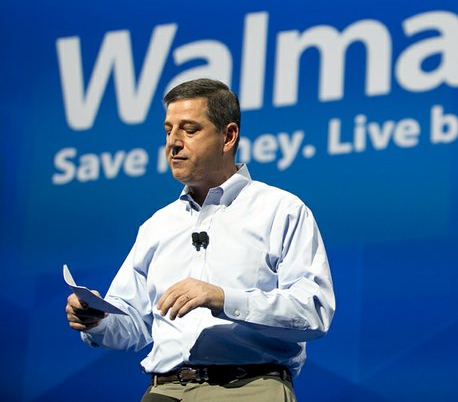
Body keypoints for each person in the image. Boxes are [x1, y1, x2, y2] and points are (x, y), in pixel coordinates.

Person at [65, 78, 335, 401]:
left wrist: (223, 299)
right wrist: (98, 319)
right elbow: (134, 325)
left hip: (248, 388)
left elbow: (313, 311)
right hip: (163, 390)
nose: (173, 143)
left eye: (189, 130)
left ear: (228, 136)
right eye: (168, 130)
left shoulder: (281, 211)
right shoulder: (156, 226)